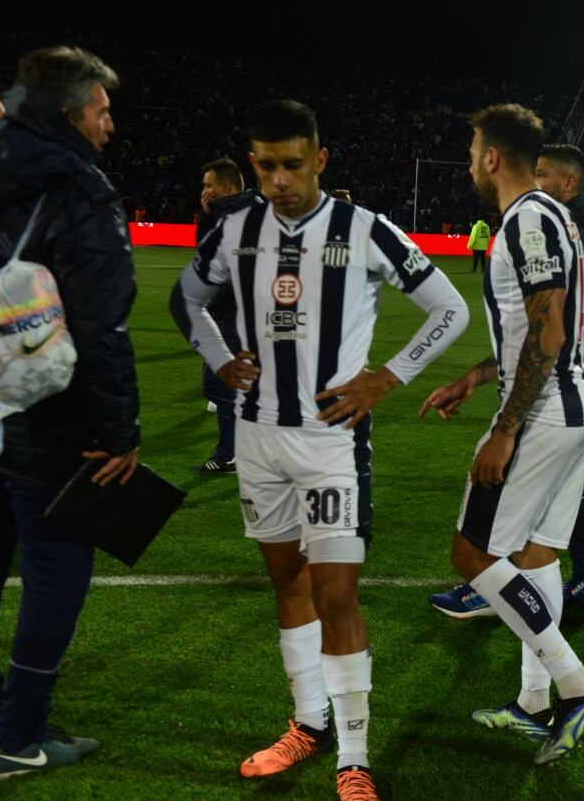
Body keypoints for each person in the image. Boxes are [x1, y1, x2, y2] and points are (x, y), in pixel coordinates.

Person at [174, 99, 468, 800]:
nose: (280, 179)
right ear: (253, 162)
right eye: (267, 165)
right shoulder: (234, 229)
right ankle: (307, 721)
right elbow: (187, 300)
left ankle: (354, 755)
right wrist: (218, 359)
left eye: (293, 164)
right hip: (256, 436)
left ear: (320, 160)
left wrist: (387, 376)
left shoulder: (365, 229)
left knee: (336, 592)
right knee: (287, 583)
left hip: (330, 439)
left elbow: (450, 308)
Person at [0, 47, 138, 779]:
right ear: (70, 113)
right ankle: (17, 735)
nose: (110, 124)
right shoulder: (78, 187)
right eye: (101, 109)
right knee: (58, 566)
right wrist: (119, 429)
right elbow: (100, 322)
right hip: (46, 410)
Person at [419, 104, 584, 765]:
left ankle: (576, 683)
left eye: (474, 150)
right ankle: (534, 703)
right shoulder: (549, 217)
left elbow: (548, 330)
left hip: (543, 415)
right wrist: (476, 376)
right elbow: (534, 327)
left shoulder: (527, 220)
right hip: (577, 406)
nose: (471, 161)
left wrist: (503, 429)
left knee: (471, 554)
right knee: (537, 556)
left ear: (493, 157)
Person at [428, 144, 584, 617]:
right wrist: (477, 375)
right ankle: (560, 665)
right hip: (564, 381)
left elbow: (570, 327)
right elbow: (534, 329)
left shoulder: (572, 231)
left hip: (562, 388)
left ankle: (510, 585)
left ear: (569, 183)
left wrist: (571, 357)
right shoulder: (555, 226)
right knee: (544, 531)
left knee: (481, 547)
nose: (532, 182)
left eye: (541, 174)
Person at [186, 158, 263, 473]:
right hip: (252, 315)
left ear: (226, 187)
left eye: (208, 185)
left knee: (220, 387)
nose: (204, 191)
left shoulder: (234, 218)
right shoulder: (248, 208)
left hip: (233, 316)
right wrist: (207, 217)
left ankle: (231, 453)